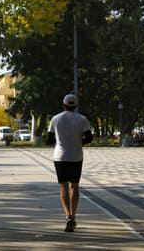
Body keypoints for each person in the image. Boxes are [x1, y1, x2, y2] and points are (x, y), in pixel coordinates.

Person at [46, 94, 93, 232]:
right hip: (76, 156)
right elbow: (89, 137)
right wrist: (79, 142)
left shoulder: (55, 119)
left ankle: (68, 216)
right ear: (76, 106)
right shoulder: (82, 119)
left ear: (64, 105)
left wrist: (60, 141)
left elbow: (48, 140)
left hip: (60, 156)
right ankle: (74, 215)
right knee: (75, 186)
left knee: (63, 187)